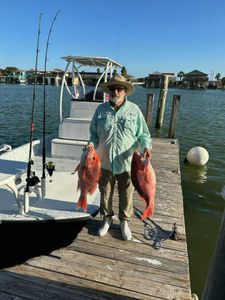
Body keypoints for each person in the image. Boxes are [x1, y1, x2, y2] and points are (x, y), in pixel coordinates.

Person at [86, 75, 152, 240]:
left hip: (128, 162)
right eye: (113, 88)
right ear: (108, 91)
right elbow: (93, 134)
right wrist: (91, 145)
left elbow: (144, 134)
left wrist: (146, 147)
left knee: (126, 193)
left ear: (125, 91)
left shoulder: (134, 110)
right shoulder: (100, 110)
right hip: (105, 161)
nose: (116, 91)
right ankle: (107, 219)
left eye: (119, 88)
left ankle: (124, 221)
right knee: (105, 192)